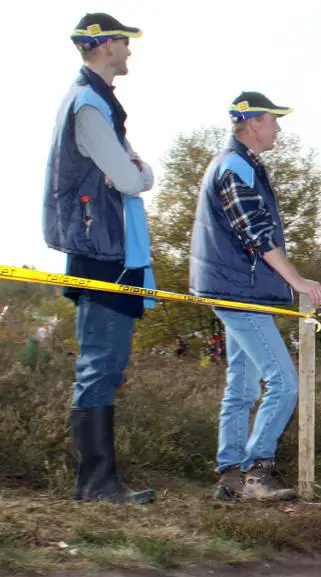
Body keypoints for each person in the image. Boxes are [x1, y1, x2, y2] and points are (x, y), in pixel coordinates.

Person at [42, 12, 156, 504]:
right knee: (100, 364)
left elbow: (138, 172)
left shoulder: (102, 103)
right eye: (125, 43)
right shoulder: (88, 103)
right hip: (101, 251)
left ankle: (100, 481)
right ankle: (96, 482)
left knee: (108, 364)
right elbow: (133, 179)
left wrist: (134, 170)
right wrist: (132, 172)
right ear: (105, 45)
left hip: (113, 250)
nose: (130, 51)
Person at [189, 92, 321, 502]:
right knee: (284, 381)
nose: (278, 128)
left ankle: (229, 476)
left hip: (232, 286)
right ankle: (255, 472)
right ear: (252, 123)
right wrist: (297, 281)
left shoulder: (239, 164)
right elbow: (257, 234)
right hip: (238, 290)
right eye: (274, 120)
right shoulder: (234, 166)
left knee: (243, 388)